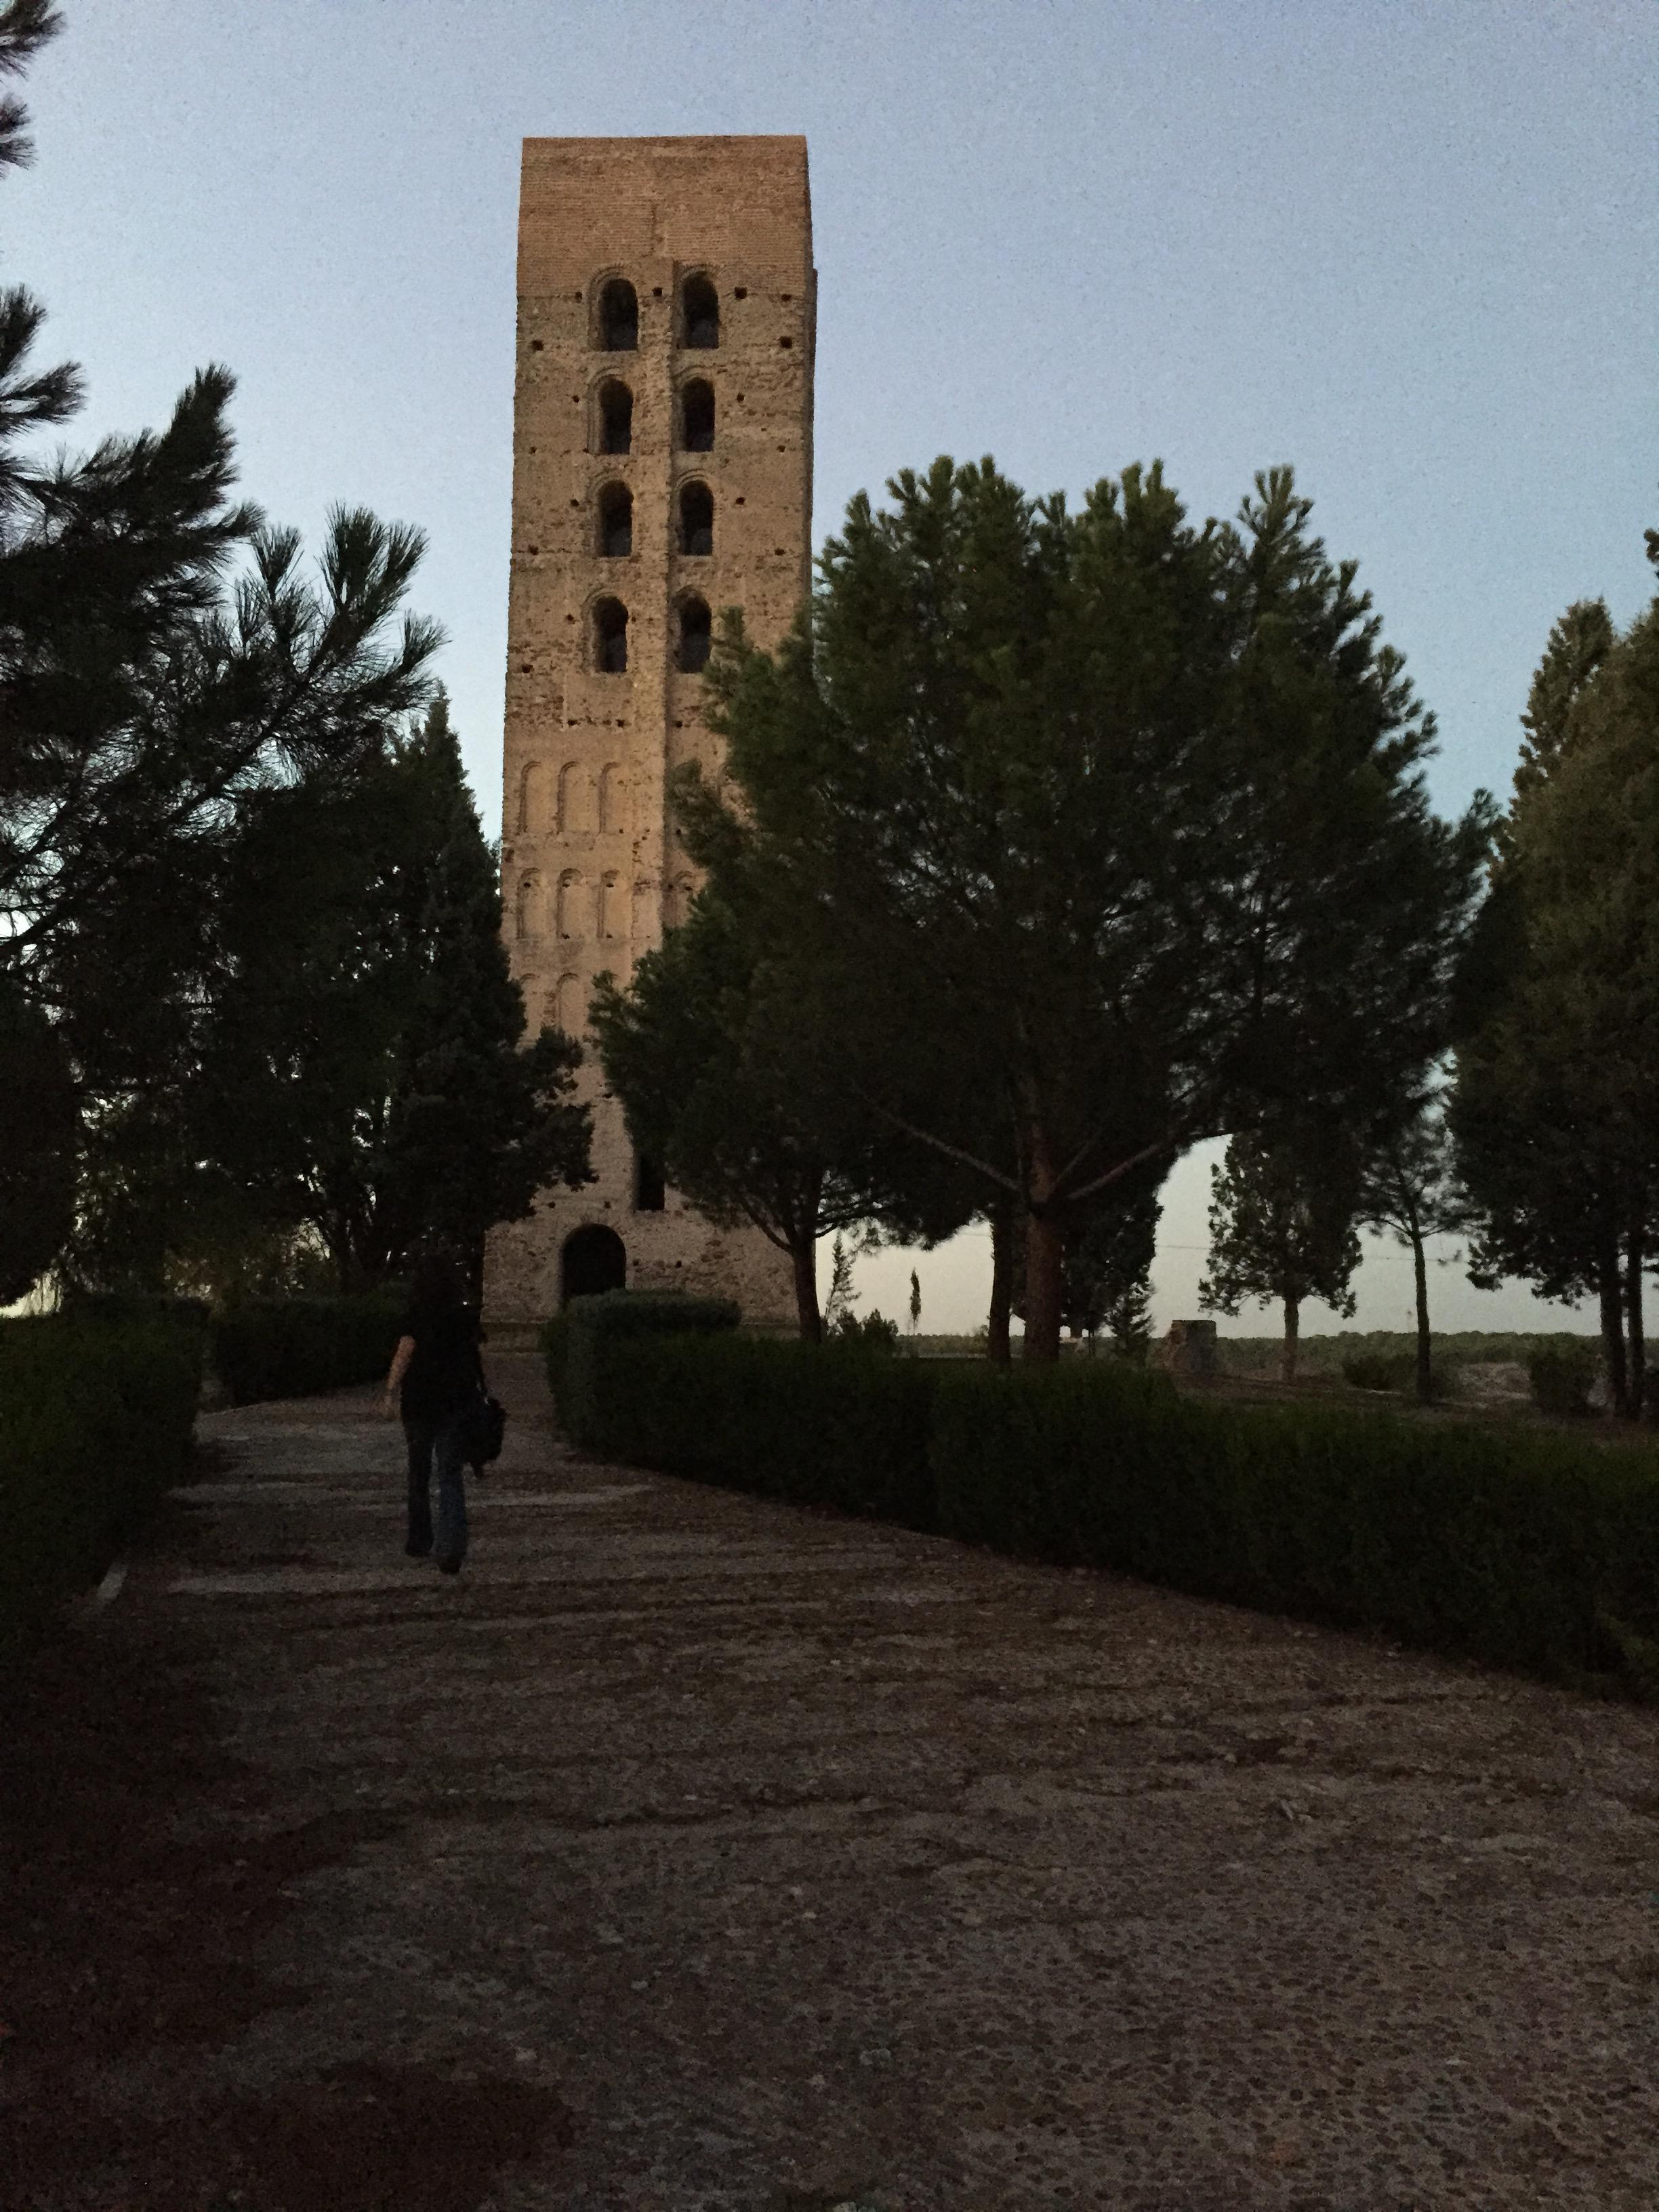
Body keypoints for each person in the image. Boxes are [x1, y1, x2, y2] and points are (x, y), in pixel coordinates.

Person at [382, 1252, 484, 1576]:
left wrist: (390, 1392)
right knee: (450, 1475)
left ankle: (419, 1539)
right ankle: (452, 1544)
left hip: (419, 1402)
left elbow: (405, 1352)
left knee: (419, 1473)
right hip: (455, 1402)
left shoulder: (416, 1313)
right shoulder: (463, 1317)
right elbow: (474, 1358)